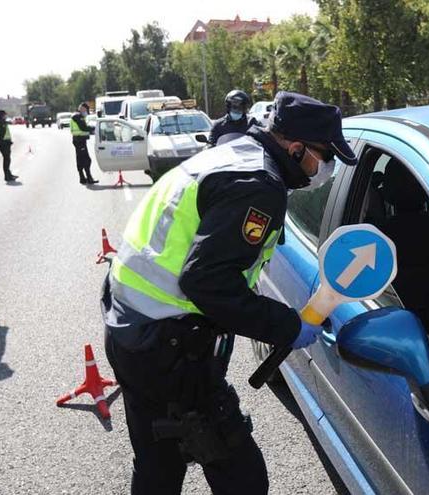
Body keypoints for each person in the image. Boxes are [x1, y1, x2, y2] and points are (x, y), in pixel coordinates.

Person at [102, 91, 357, 494]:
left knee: (158, 465)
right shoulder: (257, 185)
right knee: (242, 476)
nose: (326, 169)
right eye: (326, 157)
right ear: (295, 148)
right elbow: (207, 282)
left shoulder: (233, 153)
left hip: (129, 324)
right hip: (168, 348)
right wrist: (287, 326)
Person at [70, 102, 98, 185]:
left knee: (80, 160)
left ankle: (82, 178)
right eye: (86, 110)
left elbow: (83, 127)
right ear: (82, 108)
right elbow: (84, 128)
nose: (86, 112)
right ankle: (88, 178)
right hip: (79, 141)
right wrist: (94, 128)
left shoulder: (77, 116)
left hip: (78, 140)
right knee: (86, 160)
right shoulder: (78, 116)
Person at [0, 110, 17, 182]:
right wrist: (0, 141)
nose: (5, 116)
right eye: (4, 115)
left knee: (7, 159)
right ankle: (7, 176)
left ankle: (9, 174)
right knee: (7, 160)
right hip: (4, 143)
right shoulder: (1, 123)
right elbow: (2, 133)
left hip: (3, 143)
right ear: (2, 115)